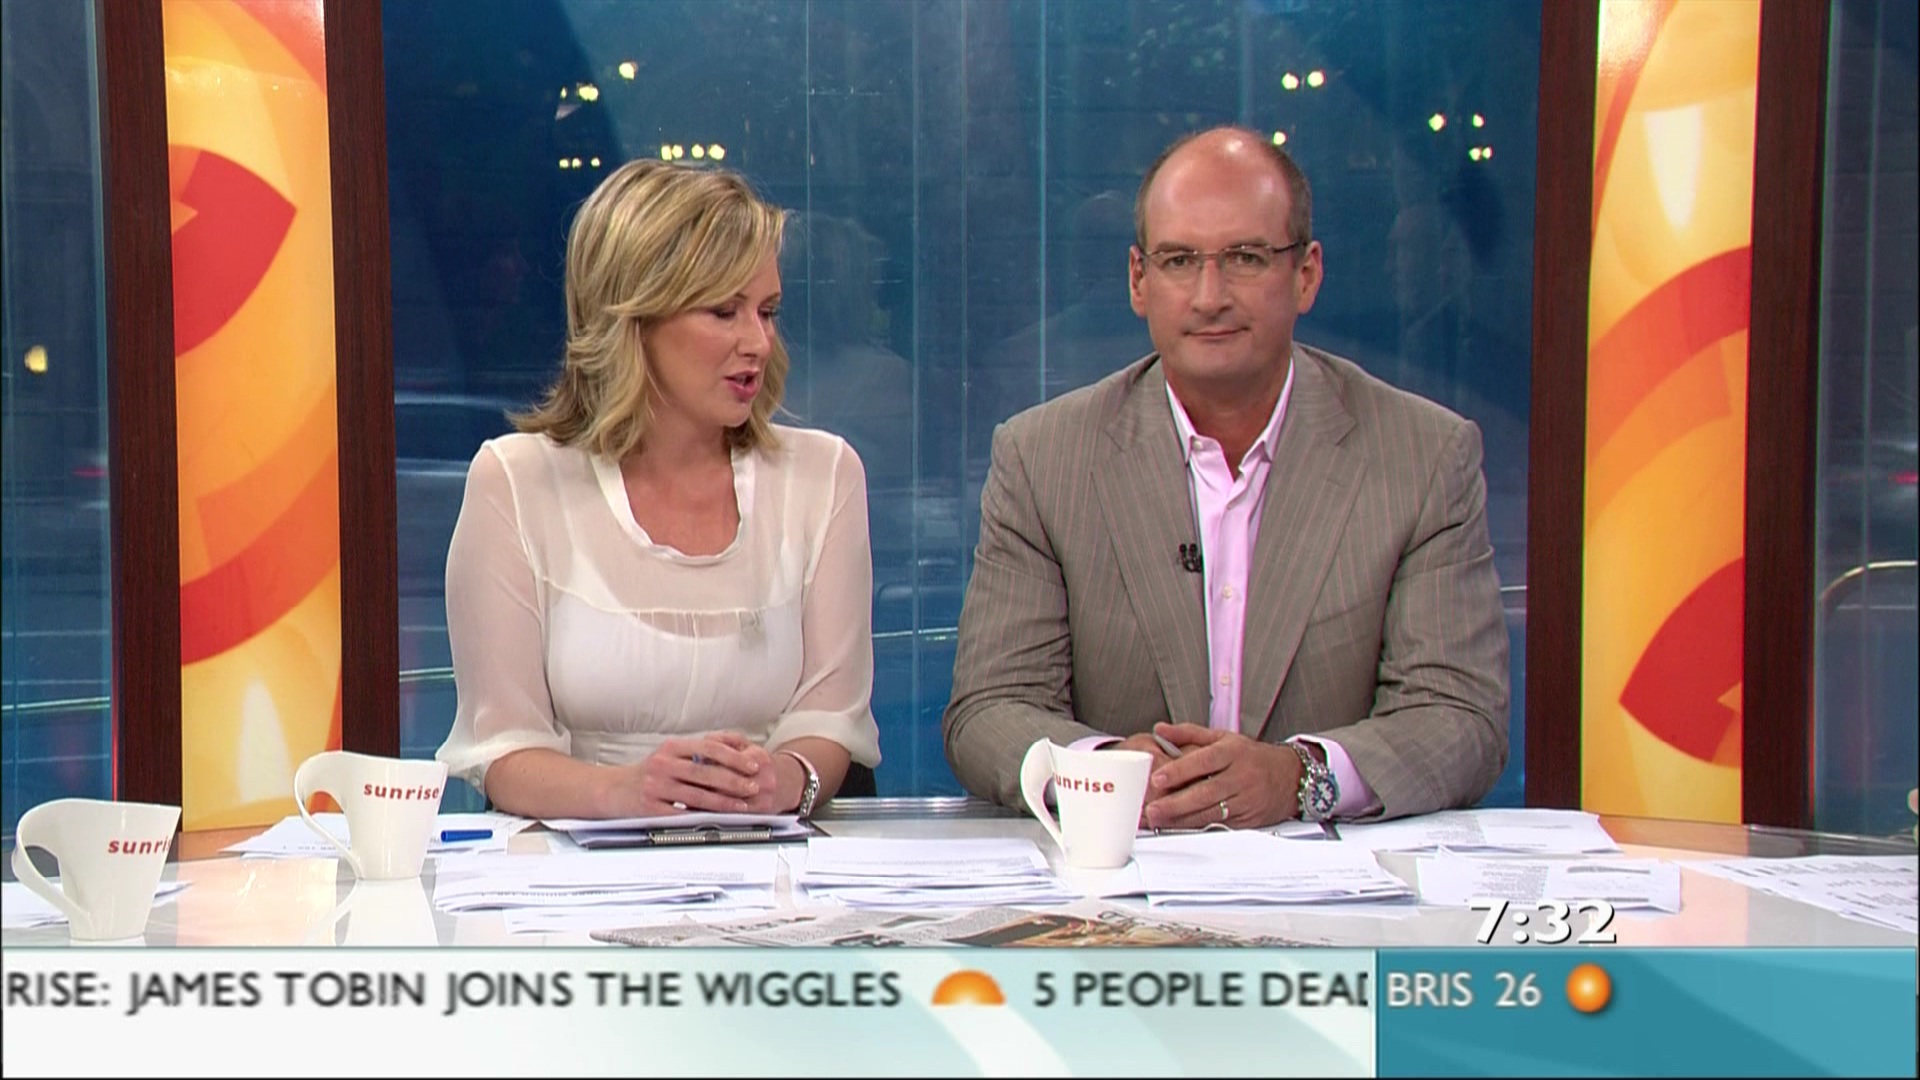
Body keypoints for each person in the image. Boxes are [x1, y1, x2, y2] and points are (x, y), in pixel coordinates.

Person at [943, 126, 1508, 828]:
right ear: (1138, 280)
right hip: (1122, 871)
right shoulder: (1044, 458)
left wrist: (1298, 778)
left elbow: (1458, 716)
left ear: (1306, 274)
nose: (1209, 296)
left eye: (1245, 258)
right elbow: (989, 709)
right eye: (1179, 260)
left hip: (1327, 875)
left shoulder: (1422, 456)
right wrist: (1109, 769)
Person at [437, 159, 881, 820]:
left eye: (767, 312)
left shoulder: (824, 476)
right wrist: (625, 792)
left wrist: (781, 783)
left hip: (772, 856)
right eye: (724, 311)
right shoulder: (516, 481)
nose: (758, 342)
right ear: (634, 318)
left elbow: (830, 718)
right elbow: (504, 751)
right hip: (576, 859)